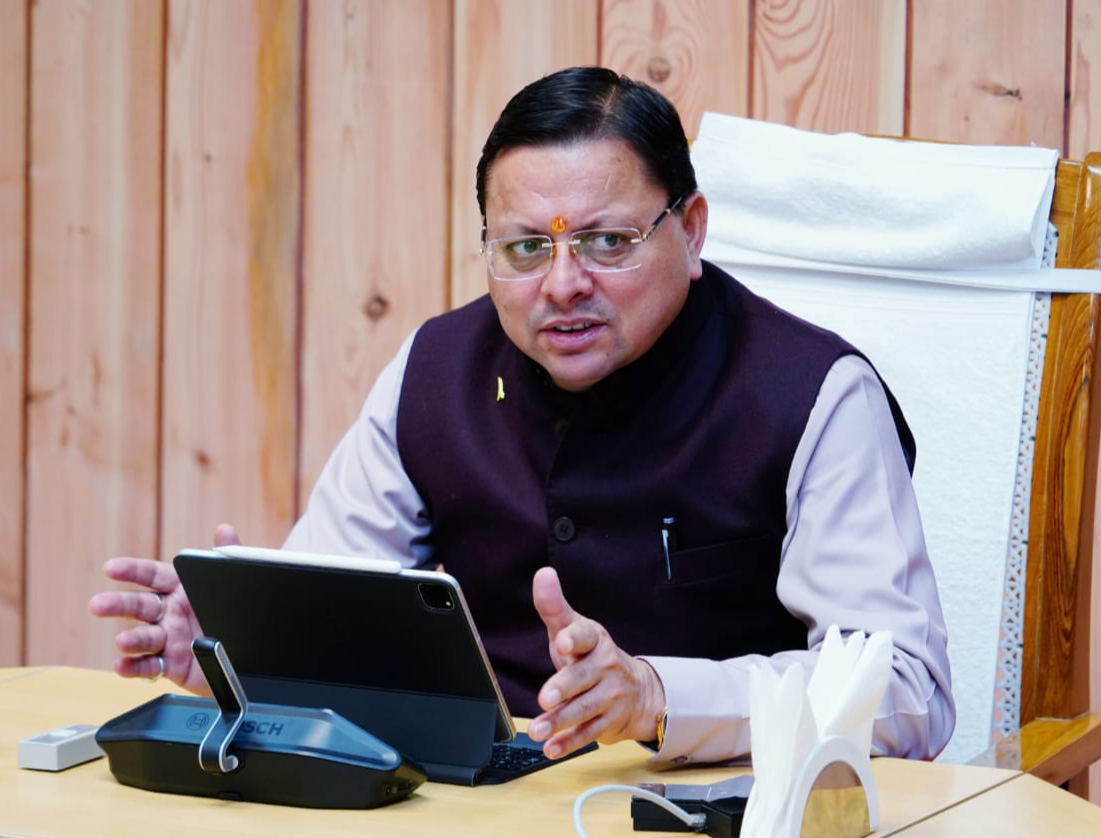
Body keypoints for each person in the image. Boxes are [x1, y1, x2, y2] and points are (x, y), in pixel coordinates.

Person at [89, 66, 954, 766]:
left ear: (690, 231)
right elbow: (333, 609)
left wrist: (659, 697)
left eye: (607, 242)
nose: (564, 284)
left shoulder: (814, 394)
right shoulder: (435, 370)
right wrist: (240, 651)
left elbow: (907, 693)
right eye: (527, 247)